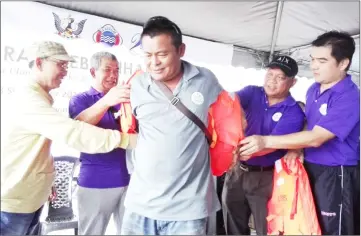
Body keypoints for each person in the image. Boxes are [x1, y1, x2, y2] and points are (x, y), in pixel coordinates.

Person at [0, 41, 136, 236]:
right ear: (39, 63)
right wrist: (130, 140)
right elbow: (74, 131)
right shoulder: (31, 99)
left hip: (30, 198)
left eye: (117, 70)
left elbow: (35, 148)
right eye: (60, 64)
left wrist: (47, 181)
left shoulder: (42, 97)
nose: (65, 71)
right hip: (15, 202)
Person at [238, 31, 360, 235]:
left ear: (343, 63)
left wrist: (265, 141)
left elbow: (318, 137)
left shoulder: (350, 97)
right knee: (305, 225)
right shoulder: (314, 89)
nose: (314, 66)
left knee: (332, 229)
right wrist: (296, 149)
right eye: (313, 59)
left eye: (322, 60)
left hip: (335, 173)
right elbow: (309, 126)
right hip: (308, 168)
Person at [120, 16, 222, 235]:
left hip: (188, 209)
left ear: (181, 50)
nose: (154, 62)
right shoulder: (137, 84)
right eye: (147, 55)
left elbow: (231, 115)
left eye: (162, 54)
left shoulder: (206, 81)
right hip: (140, 206)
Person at [222, 55, 305, 235]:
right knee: (233, 222)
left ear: (293, 82)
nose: (271, 81)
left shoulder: (294, 112)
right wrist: (237, 113)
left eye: (279, 77)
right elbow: (228, 101)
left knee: (266, 227)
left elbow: (270, 146)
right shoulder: (252, 92)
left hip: (266, 178)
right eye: (269, 74)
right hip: (236, 171)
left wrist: (238, 150)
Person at [68, 52, 130, 235]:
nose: (113, 75)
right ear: (93, 71)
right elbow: (78, 129)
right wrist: (107, 100)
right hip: (95, 183)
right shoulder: (80, 100)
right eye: (107, 70)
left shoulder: (125, 101)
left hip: (129, 182)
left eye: (117, 70)